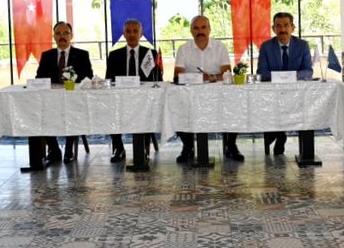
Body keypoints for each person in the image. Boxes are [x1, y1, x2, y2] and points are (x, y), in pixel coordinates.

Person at [173, 15, 241, 162]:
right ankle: (188, 146)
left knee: (235, 104)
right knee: (176, 106)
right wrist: (198, 78)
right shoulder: (183, 49)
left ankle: (231, 145)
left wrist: (210, 78)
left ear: (209, 29)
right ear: (191, 31)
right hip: (190, 95)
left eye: (203, 28)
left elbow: (227, 73)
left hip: (218, 94)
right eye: (196, 28)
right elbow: (177, 76)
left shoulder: (220, 47)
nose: (200, 31)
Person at [35, 21, 94, 163]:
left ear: (71, 36)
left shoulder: (81, 55)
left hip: (74, 99)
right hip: (52, 100)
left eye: (65, 33)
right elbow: (39, 78)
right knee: (39, 113)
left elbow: (88, 77)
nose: (62, 36)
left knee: (73, 112)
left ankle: (69, 150)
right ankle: (54, 150)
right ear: (54, 36)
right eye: (58, 33)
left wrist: (71, 79)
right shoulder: (47, 56)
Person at [257, 12, 313, 155]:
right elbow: (262, 72)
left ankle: (281, 134)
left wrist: (290, 77)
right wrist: (280, 78)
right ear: (273, 28)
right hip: (272, 94)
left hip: (296, 93)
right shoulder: (266, 47)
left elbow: (308, 71)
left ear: (292, 27)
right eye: (278, 26)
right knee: (275, 104)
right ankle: (280, 134)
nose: (283, 29)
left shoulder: (302, 45)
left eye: (286, 25)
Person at [104, 19, 160, 163]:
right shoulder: (115, 55)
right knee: (110, 110)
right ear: (123, 34)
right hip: (120, 100)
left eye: (136, 31)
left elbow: (157, 80)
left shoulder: (150, 54)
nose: (132, 35)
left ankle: (144, 149)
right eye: (128, 31)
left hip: (144, 99)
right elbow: (109, 80)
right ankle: (118, 148)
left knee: (146, 110)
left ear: (141, 34)